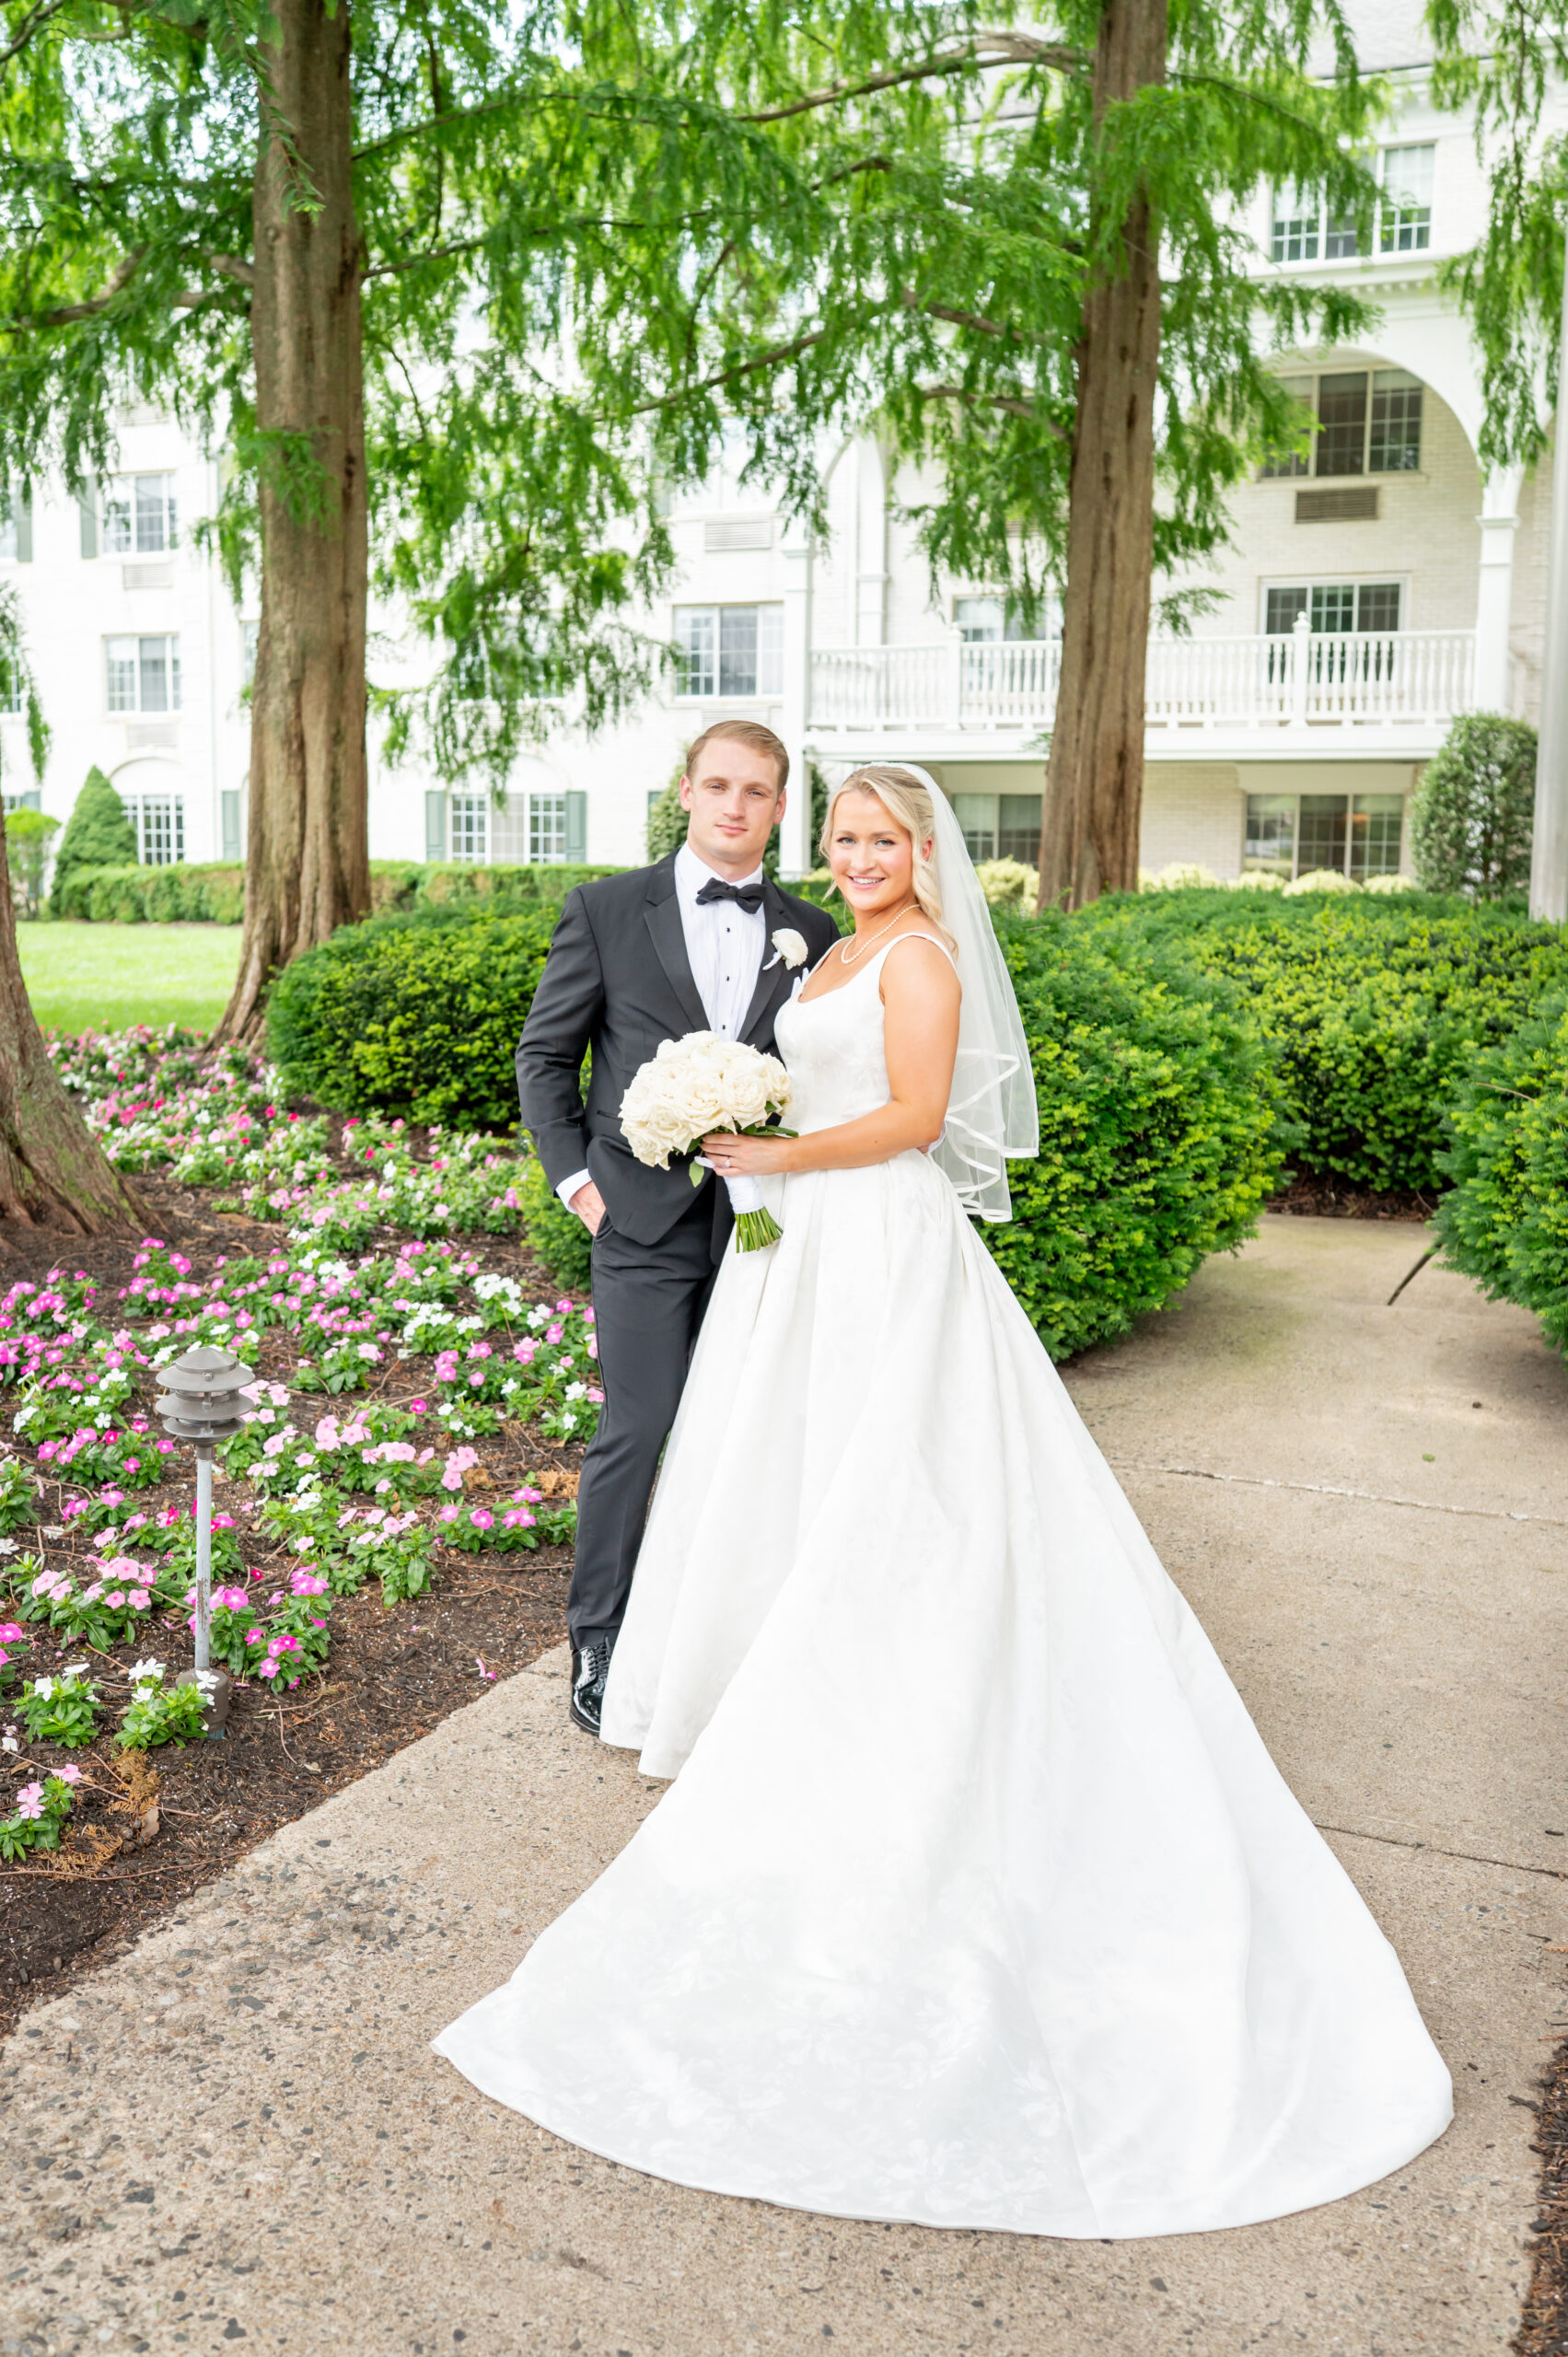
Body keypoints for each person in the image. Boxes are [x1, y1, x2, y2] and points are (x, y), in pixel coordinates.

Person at [436, 764, 1452, 2238]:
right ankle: (780, 1680)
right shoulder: (822, 947)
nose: (855, 855)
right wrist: (728, 1131)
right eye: (841, 836)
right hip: (798, 1249)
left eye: (880, 838)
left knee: (895, 1479)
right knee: (789, 1469)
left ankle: (888, 1696)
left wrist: (776, 1151)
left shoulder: (915, 957)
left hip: (879, 1246)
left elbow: (915, 1116)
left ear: (923, 852)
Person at [514, 721, 838, 1735]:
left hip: (766, 1227)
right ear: (686, 792)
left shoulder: (813, 930)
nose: (736, 805)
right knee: (639, 1425)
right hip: (640, 1220)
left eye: (757, 790)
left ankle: (715, 1634)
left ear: (779, 807)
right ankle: (599, 1636)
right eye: (719, 785)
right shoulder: (607, 909)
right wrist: (578, 1184)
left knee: (747, 1433)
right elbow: (545, 1056)